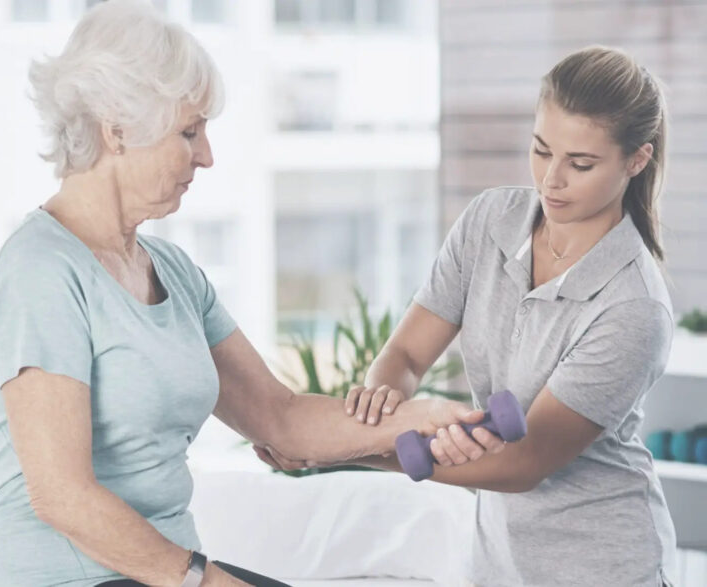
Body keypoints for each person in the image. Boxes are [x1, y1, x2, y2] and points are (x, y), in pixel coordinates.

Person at [0, 2, 492, 586]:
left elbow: (281, 420)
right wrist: (202, 581)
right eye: (189, 132)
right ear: (117, 129)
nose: (207, 156)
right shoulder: (40, 269)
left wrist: (422, 419)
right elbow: (62, 496)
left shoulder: (173, 271)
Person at [259, 46, 677, 586]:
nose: (551, 179)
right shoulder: (490, 221)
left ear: (636, 160)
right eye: (541, 150)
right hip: (496, 565)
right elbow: (406, 355)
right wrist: (387, 408)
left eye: (580, 164)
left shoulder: (635, 307)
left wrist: (338, 447)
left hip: (604, 567)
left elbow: (524, 462)